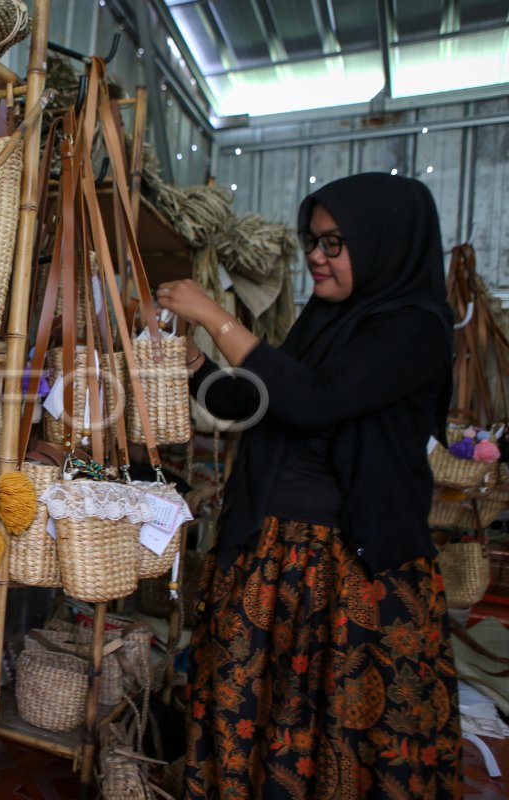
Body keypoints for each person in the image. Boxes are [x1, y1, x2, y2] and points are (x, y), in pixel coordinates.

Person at [155, 172, 461, 798]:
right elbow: (261, 402)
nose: (317, 257)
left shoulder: (415, 326)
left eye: (335, 243)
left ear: (384, 244)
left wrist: (215, 316)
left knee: (334, 720)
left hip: (346, 567)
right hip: (274, 553)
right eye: (313, 241)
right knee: (262, 712)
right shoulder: (325, 320)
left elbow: (319, 401)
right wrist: (193, 363)